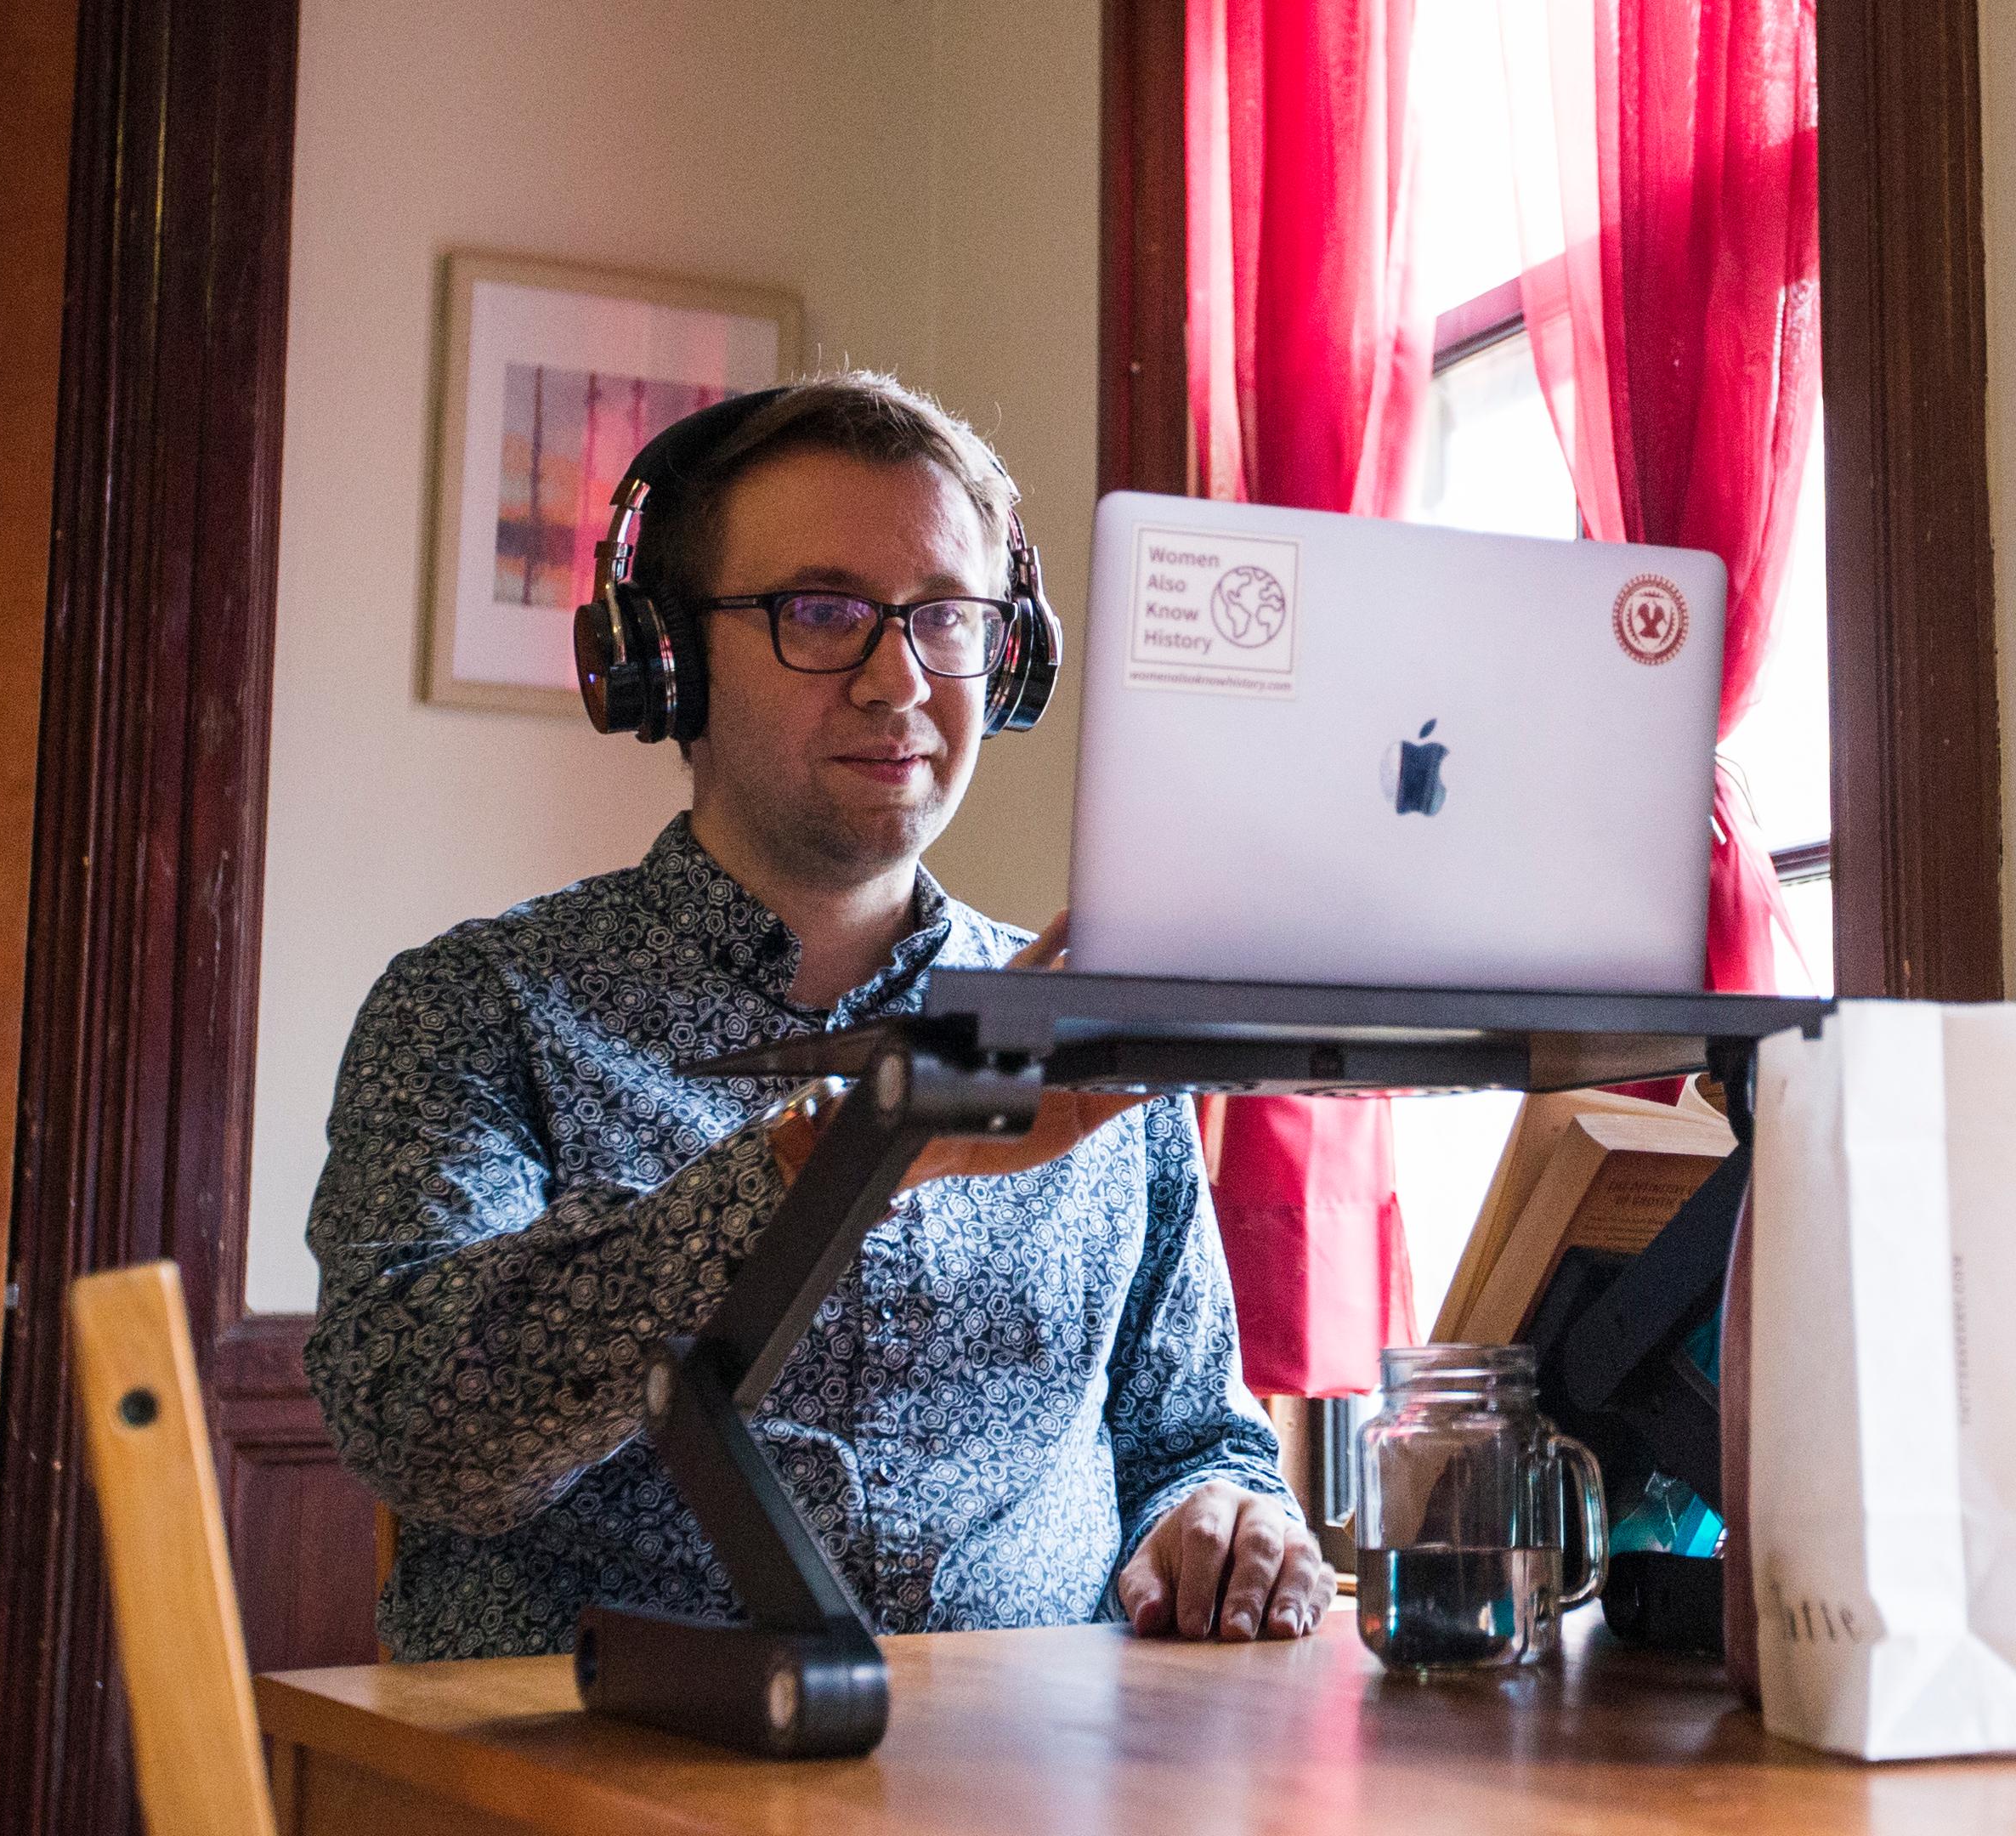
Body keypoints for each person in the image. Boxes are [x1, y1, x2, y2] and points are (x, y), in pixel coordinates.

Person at [303, 373, 1330, 1661]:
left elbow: (1191, 1436)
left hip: (1039, 1788)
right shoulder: (477, 1009)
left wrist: (1219, 1515)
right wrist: (864, 1148)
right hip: (585, 1786)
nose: (899, 678)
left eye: (947, 618)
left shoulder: (1086, 1025)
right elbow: (426, 1432)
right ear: (667, 657)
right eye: (824, 612)